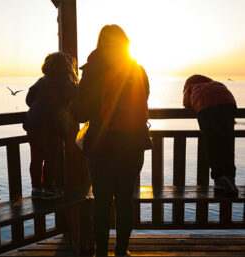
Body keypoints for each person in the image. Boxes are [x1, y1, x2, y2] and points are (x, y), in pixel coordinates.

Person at [71, 24, 151, 256]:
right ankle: (122, 252)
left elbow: (80, 112)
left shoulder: (95, 68)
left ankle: (102, 253)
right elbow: (144, 98)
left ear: (101, 43)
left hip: (102, 146)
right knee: (125, 200)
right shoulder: (137, 69)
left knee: (102, 201)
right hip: (134, 144)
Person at [23, 52, 78, 199]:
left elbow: (29, 100)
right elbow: (75, 102)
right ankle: (48, 188)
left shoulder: (41, 81)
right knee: (51, 158)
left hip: (34, 123)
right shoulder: (69, 85)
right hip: (54, 125)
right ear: (68, 67)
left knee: (36, 157)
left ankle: (36, 189)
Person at [183, 74, 238, 196]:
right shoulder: (217, 84)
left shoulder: (192, 87)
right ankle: (229, 179)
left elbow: (186, 103)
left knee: (212, 144)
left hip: (207, 108)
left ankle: (219, 181)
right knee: (227, 142)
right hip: (228, 106)